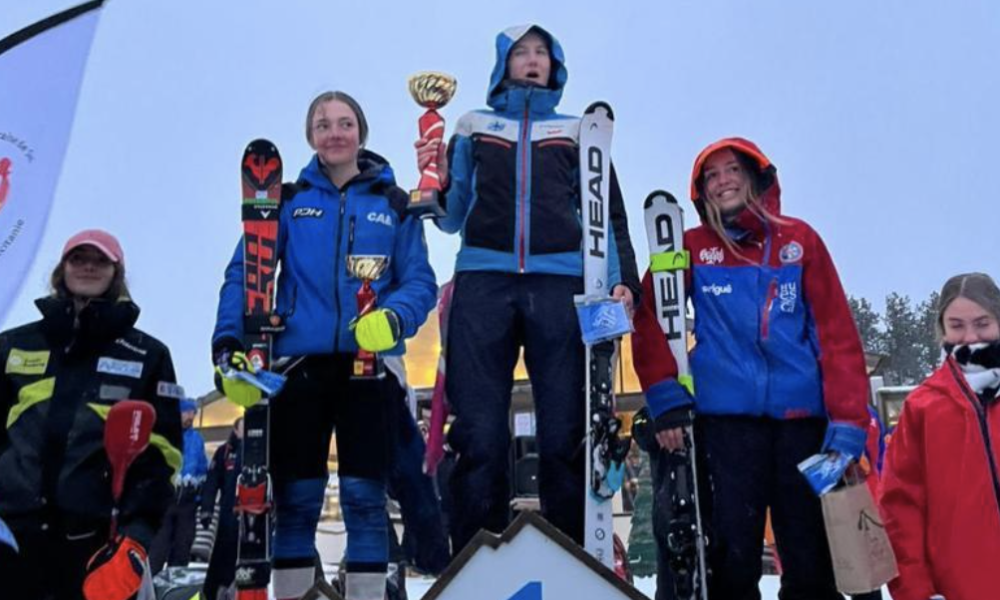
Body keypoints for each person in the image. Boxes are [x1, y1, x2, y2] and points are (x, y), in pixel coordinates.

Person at [414, 23, 641, 553]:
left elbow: (608, 217)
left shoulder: (580, 131)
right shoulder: (473, 125)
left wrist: (622, 282)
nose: (533, 60)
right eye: (522, 53)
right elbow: (450, 217)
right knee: (479, 435)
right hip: (484, 282)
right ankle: (475, 558)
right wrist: (437, 181)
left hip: (560, 285)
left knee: (565, 432)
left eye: (542, 52)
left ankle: (571, 555)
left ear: (555, 64)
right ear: (503, 63)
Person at [213, 91, 437, 600]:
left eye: (344, 123)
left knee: (364, 499)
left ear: (361, 131)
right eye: (322, 124)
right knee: (297, 501)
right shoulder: (288, 202)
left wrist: (394, 317)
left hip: (368, 367)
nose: (334, 133)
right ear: (310, 136)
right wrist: (229, 343)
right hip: (301, 366)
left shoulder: (393, 202)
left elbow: (420, 281)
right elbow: (243, 274)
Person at [631, 138, 870, 600]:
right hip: (728, 425)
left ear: (756, 177)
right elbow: (650, 319)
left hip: (803, 424)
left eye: (733, 170)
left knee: (809, 553)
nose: (724, 181)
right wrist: (665, 397)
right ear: (701, 191)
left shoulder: (800, 241)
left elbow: (837, 337)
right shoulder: (691, 247)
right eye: (712, 175)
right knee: (732, 554)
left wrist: (847, 425)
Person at [0, 229, 183, 600]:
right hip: (12, 543)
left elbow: (164, 457)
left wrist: (136, 542)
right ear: (61, 269)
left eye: (100, 260)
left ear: (117, 273)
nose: (88, 267)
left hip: (98, 545)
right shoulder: (13, 345)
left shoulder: (149, 355)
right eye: (78, 258)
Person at [880, 272, 1000, 600]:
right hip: (960, 587)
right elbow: (900, 510)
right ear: (942, 330)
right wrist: (916, 591)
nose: (970, 336)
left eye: (982, 323)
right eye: (957, 325)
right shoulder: (924, 407)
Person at [149, 397, 208, 575]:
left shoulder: (197, 439)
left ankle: (176, 590)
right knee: (158, 550)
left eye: (193, 413)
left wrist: (199, 496)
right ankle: (150, 588)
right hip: (166, 500)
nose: (191, 416)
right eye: (187, 412)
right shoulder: (165, 435)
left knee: (182, 549)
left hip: (188, 503)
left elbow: (203, 468)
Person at [200, 417, 244, 600]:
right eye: (244, 428)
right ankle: (214, 592)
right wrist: (206, 509)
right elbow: (211, 483)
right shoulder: (224, 452)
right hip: (228, 512)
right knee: (222, 554)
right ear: (235, 430)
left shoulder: (260, 451)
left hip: (253, 513)